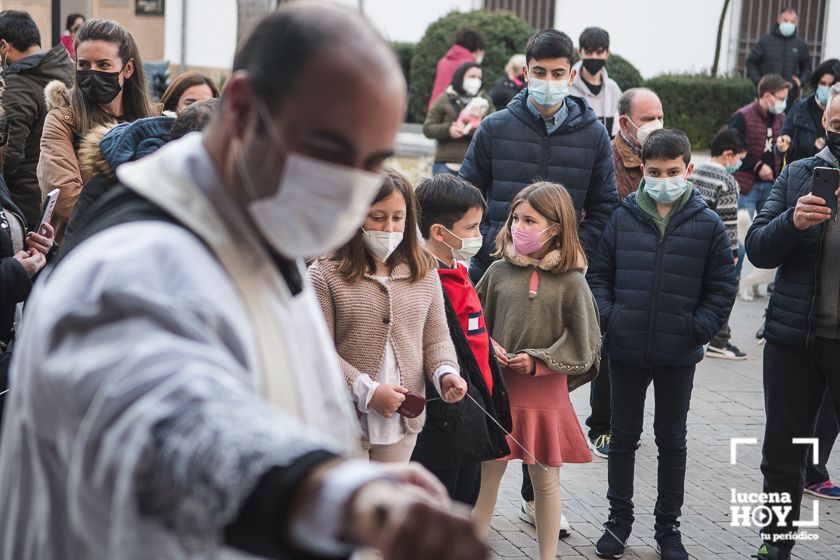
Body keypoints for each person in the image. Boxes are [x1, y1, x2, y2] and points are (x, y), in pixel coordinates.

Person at [0, 4, 490, 559]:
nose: (350, 186)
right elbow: (173, 429)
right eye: (329, 149)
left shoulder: (265, 236)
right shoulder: (128, 268)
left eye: (371, 162)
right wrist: (335, 495)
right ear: (241, 108)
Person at [588, 129, 736, 560]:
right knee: (623, 436)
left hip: (678, 352)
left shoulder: (706, 222)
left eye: (673, 171)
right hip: (627, 348)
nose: (664, 178)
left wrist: (698, 327)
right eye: (655, 172)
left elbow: (722, 285)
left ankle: (668, 528)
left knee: (672, 440)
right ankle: (618, 522)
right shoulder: (623, 215)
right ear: (642, 172)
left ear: (687, 169)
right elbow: (599, 276)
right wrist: (611, 319)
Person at [473, 182, 599, 560]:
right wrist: (488, 347)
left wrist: (540, 361)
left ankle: (548, 556)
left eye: (530, 220)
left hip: (545, 398)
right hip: (499, 396)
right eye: (516, 218)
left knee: (546, 483)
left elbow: (587, 345)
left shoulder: (574, 282)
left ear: (556, 227)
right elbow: (472, 322)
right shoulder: (497, 272)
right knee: (486, 480)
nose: (518, 226)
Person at [308, 168, 468, 462]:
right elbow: (317, 350)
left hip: (400, 423)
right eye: (377, 218)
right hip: (341, 419)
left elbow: (435, 339)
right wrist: (369, 392)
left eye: (398, 218)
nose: (389, 228)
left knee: (388, 503)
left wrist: (445, 373)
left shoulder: (424, 270)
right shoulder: (326, 273)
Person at [745, 83, 840, 560]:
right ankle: (776, 543)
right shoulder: (800, 174)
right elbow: (757, 245)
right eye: (837, 126)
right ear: (824, 123)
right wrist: (794, 223)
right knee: (782, 454)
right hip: (793, 339)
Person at [460, 28, 617, 285]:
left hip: (560, 276)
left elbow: (604, 207)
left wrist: (569, 249)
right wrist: (495, 241)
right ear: (526, 73)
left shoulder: (594, 135)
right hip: (494, 268)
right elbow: (467, 194)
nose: (548, 81)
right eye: (539, 72)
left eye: (557, 74)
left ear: (571, 75)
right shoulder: (493, 127)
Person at [412, 174, 512, 505]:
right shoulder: (425, 281)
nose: (477, 235)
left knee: (465, 497)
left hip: (476, 407)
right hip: (445, 416)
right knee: (441, 503)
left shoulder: (460, 270)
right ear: (439, 232)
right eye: (470, 228)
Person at [37, 19, 158, 242]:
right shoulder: (63, 122)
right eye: (84, 65)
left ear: (127, 69)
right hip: (83, 246)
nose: (92, 73)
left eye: (103, 65)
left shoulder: (153, 120)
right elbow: (67, 202)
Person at [0, 9, 74, 229]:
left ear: (4, 46)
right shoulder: (68, 69)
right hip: (59, 200)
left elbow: (8, 156)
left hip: (24, 209)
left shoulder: (16, 86)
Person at [692, 127, 749, 361]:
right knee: (725, 290)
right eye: (740, 159)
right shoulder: (727, 182)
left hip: (692, 242)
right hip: (713, 247)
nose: (739, 164)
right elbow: (728, 224)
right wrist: (733, 253)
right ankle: (720, 339)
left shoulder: (697, 172)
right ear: (729, 155)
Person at [730, 74, 790, 218]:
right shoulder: (742, 116)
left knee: (768, 232)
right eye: (781, 99)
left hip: (771, 186)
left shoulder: (782, 118)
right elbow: (731, 151)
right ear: (768, 96)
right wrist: (758, 166)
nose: (784, 103)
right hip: (746, 186)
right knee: (743, 235)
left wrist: (785, 147)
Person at [423, 62, 494, 176]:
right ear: (460, 78)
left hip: (476, 162)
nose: (476, 81)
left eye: (479, 78)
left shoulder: (486, 101)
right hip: (446, 162)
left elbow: (492, 129)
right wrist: (449, 130)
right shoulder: (444, 99)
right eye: (472, 76)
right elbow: (428, 128)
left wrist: (468, 129)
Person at [746, 7, 810, 110]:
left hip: (790, 97)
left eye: (792, 21)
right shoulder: (765, 42)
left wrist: (800, 82)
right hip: (768, 96)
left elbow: (807, 69)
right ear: (779, 20)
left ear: (796, 23)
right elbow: (751, 62)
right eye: (786, 20)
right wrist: (760, 81)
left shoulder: (800, 45)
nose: (789, 24)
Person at [777, 58, 840, 164]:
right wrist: (783, 143)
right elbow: (785, 135)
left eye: (831, 85)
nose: (826, 88)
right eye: (823, 83)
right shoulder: (799, 107)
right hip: (799, 172)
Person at [569, 26, 621, 137]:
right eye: (588, 52)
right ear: (580, 52)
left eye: (599, 52)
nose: (593, 57)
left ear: (607, 53)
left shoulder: (613, 89)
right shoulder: (566, 86)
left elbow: (617, 131)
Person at [613, 88, 664, 200]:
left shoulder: (670, 152)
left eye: (659, 118)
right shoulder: (605, 159)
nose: (657, 125)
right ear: (625, 124)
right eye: (648, 119)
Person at [429, 27, 485, 109]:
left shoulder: (444, 60)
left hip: (435, 106)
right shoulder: (469, 65)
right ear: (477, 49)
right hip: (454, 110)